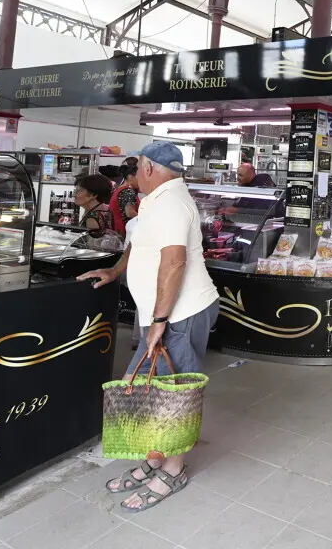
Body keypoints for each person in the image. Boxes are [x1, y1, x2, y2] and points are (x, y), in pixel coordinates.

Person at [78, 141, 219, 513]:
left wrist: (158, 322)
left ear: (149, 167)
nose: (134, 173)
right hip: (162, 314)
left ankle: (173, 469)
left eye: (138, 166)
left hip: (180, 314)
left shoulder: (171, 201)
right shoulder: (155, 199)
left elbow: (174, 262)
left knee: (172, 393)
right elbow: (139, 245)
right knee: (146, 385)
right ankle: (157, 457)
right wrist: (114, 270)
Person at [73, 173, 119, 247]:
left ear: (93, 195)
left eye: (79, 191)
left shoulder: (93, 217)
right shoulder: (104, 209)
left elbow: (92, 247)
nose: (74, 194)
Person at [109, 163, 140, 235]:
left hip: (117, 229)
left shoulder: (120, 189)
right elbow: (130, 213)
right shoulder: (127, 191)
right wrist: (146, 219)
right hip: (124, 230)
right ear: (131, 177)